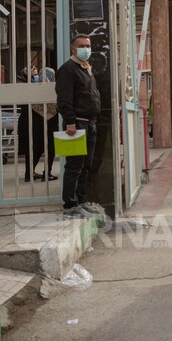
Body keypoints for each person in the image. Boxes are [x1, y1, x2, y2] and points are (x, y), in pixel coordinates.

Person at [55, 34, 100, 215]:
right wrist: (70, 122)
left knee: (86, 165)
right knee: (74, 165)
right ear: (73, 48)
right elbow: (64, 99)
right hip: (77, 124)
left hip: (91, 124)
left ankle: (81, 200)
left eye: (88, 45)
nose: (85, 49)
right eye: (81, 45)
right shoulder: (68, 69)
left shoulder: (86, 68)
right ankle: (70, 204)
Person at [16, 67, 58, 182]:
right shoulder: (53, 89)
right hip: (48, 125)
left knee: (34, 149)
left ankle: (29, 173)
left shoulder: (32, 89)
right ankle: (46, 173)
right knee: (50, 148)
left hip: (32, 126)